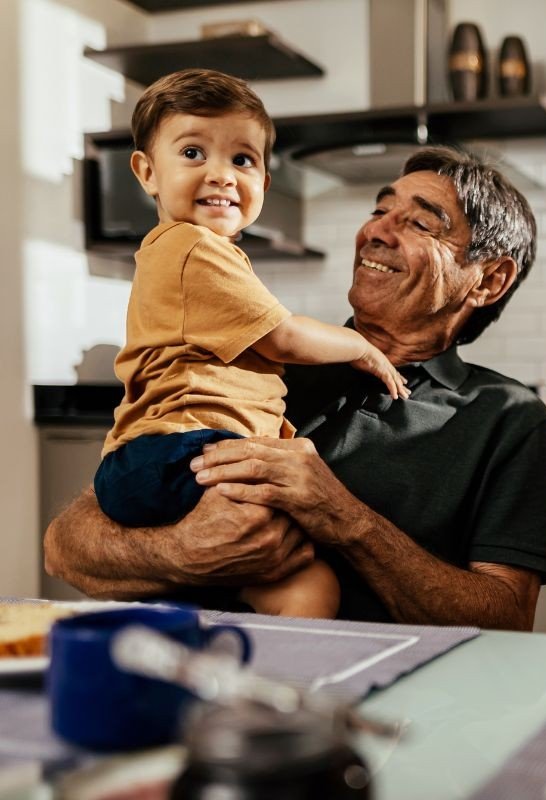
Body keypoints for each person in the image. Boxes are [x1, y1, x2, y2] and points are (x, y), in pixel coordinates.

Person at [44, 145, 546, 629]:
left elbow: (508, 617)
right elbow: (66, 543)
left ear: (489, 281)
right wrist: (183, 550)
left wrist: (344, 517)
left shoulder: (508, 417)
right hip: (189, 675)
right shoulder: (254, 363)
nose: (377, 231)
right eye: (380, 210)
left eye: (421, 222)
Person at [96, 69, 408, 619]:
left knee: (294, 583)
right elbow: (285, 334)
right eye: (193, 152)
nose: (221, 175)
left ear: (265, 178)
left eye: (242, 160)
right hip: (179, 449)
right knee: (292, 551)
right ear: (146, 172)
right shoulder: (193, 246)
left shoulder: (187, 253)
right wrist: (359, 347)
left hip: (156, 456)